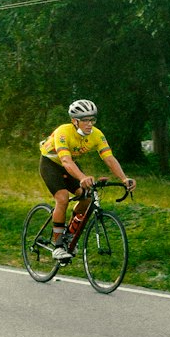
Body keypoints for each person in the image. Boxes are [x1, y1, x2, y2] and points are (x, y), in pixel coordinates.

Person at [38, 99, 137, 261]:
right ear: (74, 121)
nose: (89, 124)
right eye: (85, 120)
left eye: (92, 119)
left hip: (71, 165)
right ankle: (57, 245)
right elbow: (65, 161)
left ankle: (69, 234)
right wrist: (82, 177)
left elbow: (109, 158)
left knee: (87, 198)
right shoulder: (63, 132)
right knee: (62, 198)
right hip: (51, 163)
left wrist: (124, 178)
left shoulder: (97, 135)